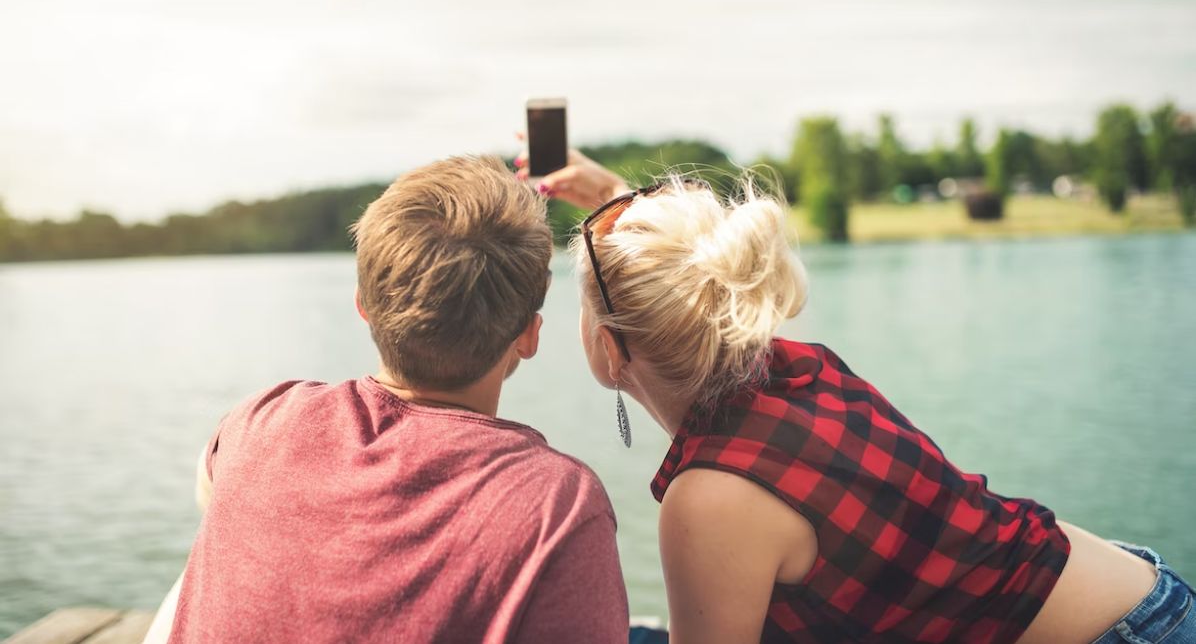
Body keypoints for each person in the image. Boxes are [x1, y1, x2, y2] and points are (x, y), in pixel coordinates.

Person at [525, 152, 1195, 643]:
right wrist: (615, 197)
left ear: (610, 350)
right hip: (1144, 597)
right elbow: (698, 282)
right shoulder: (798, 367)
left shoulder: (708, 498)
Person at [144, 155, 629, 644]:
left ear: (363, 306)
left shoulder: (259, 419)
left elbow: (211, 491)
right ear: (529, 335)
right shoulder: (558, 506)